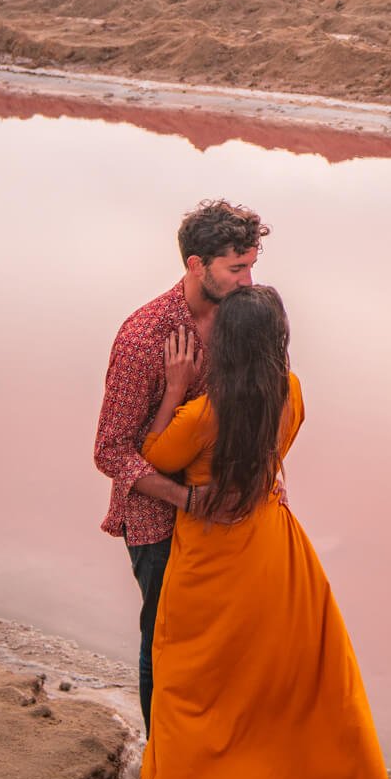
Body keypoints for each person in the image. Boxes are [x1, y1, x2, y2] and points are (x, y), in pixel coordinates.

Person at [135, 283, 391, 779]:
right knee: (278, 700)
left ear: (222, 343)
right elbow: (275, 449)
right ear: (278, 340)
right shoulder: (292, 392)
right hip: (276, 556)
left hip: (212, 566)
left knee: (203, 700)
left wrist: (174, 387)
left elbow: (151, 454)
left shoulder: (203, 415)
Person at [93, 199, 268, 734]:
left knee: (221, 641)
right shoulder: (145, 336)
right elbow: (109, 450)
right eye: (236, 268)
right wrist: (188, 500)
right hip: (159, 521)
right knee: (165, 641)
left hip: (222, 518)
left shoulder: (242, 318)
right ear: (196, 265)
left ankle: (206, 748)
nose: (248, 279)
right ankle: (164, 754)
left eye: (252, 264)